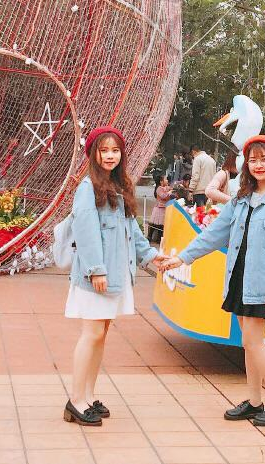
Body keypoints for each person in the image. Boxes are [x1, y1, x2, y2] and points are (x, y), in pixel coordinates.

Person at [157, 135, 265, 427]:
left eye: (264, 159)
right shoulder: (241, 200)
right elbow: (214, 234)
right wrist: (183, 258)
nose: (259, 165)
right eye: (253, 160)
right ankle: (255, 401)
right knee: (249, 345)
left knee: (253, 343)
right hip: (239, 279)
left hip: (262, 284)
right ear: (246, 165)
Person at [64, 126, 161, 426]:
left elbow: (132, 230)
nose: (110, 156)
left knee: (101, 335)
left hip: (116, 274)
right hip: (97, 277)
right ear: (93, 154)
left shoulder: (119, 186)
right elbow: (86, 231)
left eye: (115, 150)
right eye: (104, 150)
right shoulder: (87, 188)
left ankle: (88, 396)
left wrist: (152, 256)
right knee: (91, 334)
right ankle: (75, 400)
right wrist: (96, 270)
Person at [147, 171, 172, 244]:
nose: (167, 180)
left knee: (161, 225)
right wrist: (169, 193)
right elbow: (163, 196)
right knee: (154, 223)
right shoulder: (159, 188)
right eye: (165, 179)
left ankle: (159, 239)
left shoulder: (165, 188)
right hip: (159, 208)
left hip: (163, 208)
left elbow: (169, 190)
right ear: (161, 181)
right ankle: (149, 237)